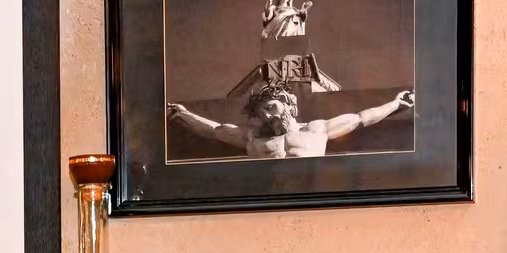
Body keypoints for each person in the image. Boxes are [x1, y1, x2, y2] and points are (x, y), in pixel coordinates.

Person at [167, 85, 414, 160]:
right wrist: (183, 114)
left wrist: (395, 104)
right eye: (261, 113)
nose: (267, 116)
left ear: (287, 103)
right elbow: (214, 131)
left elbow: (362, 118)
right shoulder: (252, 138)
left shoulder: (317, 129)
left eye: (271, 107)